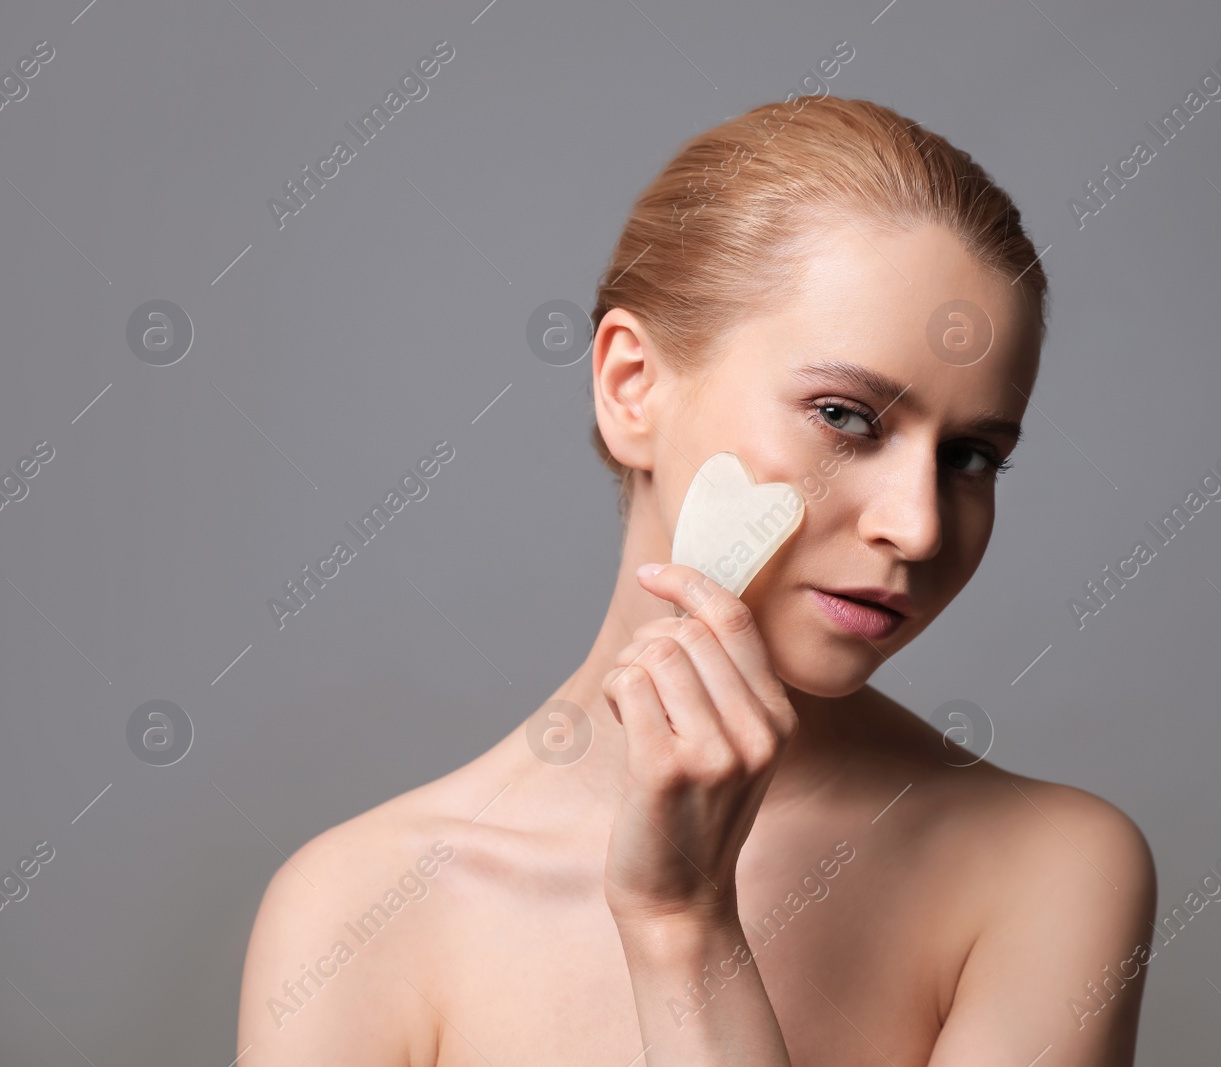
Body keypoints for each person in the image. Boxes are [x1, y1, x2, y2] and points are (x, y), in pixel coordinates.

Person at [237, 94, 1157, 1066]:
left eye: (971, 456)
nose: (917, 522)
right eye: (845, 417)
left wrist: (684, 929)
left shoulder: (1049, 871)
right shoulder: (359, 911)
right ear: (632, 385)